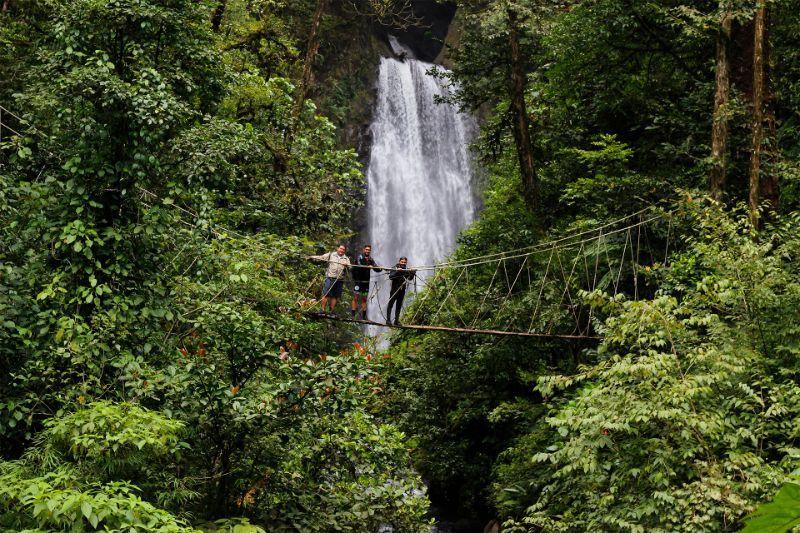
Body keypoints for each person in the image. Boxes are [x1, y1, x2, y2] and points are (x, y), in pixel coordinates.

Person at [309, 244, 350, 316]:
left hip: (339, 279)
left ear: (345, 251)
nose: (341, 250)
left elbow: (350, 268)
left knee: (335, 296)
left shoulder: (346, 259)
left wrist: (347, 265)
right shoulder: (331, 255)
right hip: (330, 278)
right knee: (326, 293)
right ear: (337, 248)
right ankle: (322, 310)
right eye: (341, 248)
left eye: (343, 249)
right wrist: (312, 257)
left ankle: (331, 311)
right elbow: (321, 257)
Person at [350, 245, 381, 321]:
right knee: (355, 297)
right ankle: (353, 315)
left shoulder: (370, 259)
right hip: (359, 281)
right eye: (366, 249)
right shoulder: (360, 257)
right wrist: (368, 266)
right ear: (364, 250)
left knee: (364, 298)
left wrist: (381, 269)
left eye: (369, 250)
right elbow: (359, 265)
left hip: (366, 282)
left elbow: (375, 268)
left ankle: (364, 316)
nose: (367, 251)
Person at [386, 256, 416, 326]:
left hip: (402, 290)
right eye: (402, 262)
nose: (403, 263)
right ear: (399, 261)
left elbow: (410, 278)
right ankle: (388, 320)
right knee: (391, 304)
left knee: (399, 305)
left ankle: (396, 321)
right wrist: (397, 271)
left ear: (406, 263)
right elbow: (391, 277)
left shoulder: (406, 269)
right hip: (394, 289)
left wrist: (413, 272)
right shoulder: (394, 268)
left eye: (404, 262)